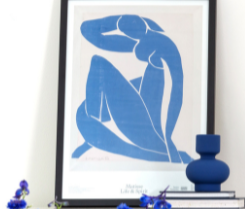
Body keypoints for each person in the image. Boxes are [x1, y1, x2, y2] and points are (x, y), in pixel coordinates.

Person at [71, 14, 193, 163]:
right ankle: (95, 129)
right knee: (135, 81)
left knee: (98, 63)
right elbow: (88, 31)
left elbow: (174, 96)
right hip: (148, 126)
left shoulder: (157, 46)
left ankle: (95, 128)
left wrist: (168, 141)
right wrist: (119, 22)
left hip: (146, 131)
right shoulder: (154, 42)